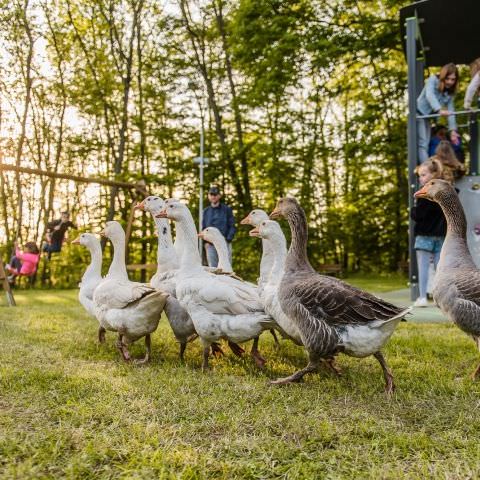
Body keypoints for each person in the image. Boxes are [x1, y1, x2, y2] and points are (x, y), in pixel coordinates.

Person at [411, 158, 447, 307]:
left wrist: (413, 209)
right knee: (440, 268)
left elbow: (418, 215)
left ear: (433, 174)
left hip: (425, 236)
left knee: (424, 267)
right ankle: (440, 300)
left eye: (424, 175)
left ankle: (422, 297)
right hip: (440, 235)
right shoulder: (445, 192)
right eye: (420, 175)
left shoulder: (424, 195)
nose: (421, 178)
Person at [417, 63, 460, 163]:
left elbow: (451, 111)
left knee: (426, 143)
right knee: (423, 143)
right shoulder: (432, 80)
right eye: (447, 78)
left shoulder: (449, 92)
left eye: (453, 79)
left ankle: (427, 168)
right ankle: (426, 169)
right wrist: (439, 109)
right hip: (418, 113)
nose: (450, 82)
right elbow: (430, 95)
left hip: (428, 116)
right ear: (443, 76)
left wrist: (453, 130)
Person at [202, 186, 236, 268]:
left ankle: (228, 281)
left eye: (215, 194)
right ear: (208, 196)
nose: (213, 196)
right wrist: (205, 242)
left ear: (219, 196)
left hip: (224, 243)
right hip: (210, 245)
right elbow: (204, 227)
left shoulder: (227, 210)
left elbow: (232, 226)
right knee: (213, 268)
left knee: (226, 267)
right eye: (211, 194)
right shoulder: (206, 211)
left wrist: (228, 239)